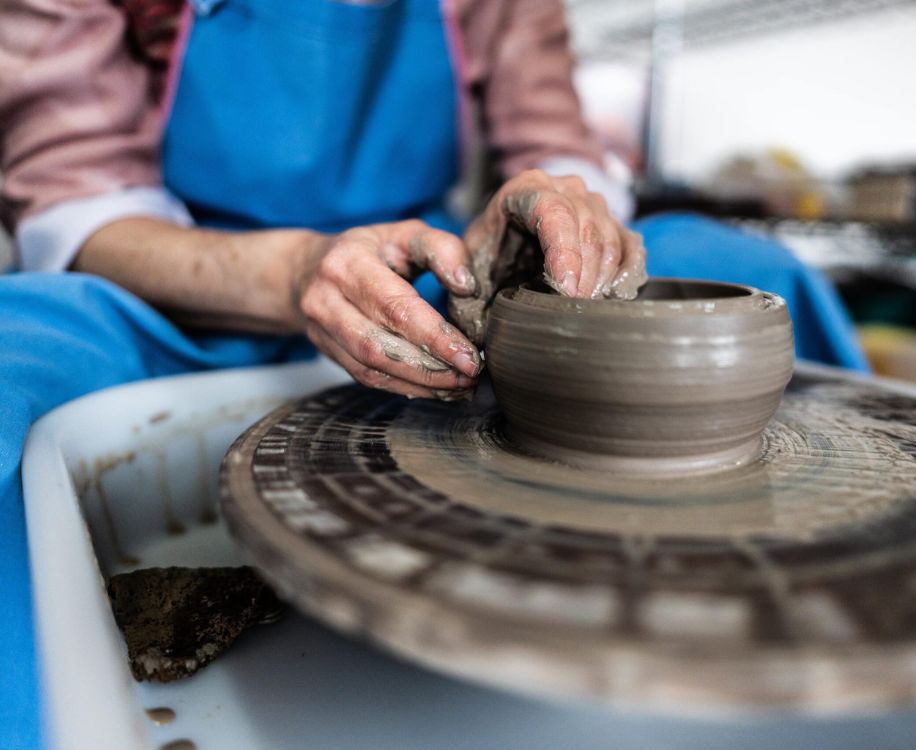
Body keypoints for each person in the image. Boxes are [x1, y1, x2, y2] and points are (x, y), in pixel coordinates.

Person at [0, 0, 866, 746]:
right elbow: (81, 210)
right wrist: (300, 272)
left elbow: (556, 146)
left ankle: (862, 605)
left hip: (435, 284)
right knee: (14, 349)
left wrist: (558, 206)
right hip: (202, 291)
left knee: (749, 274)